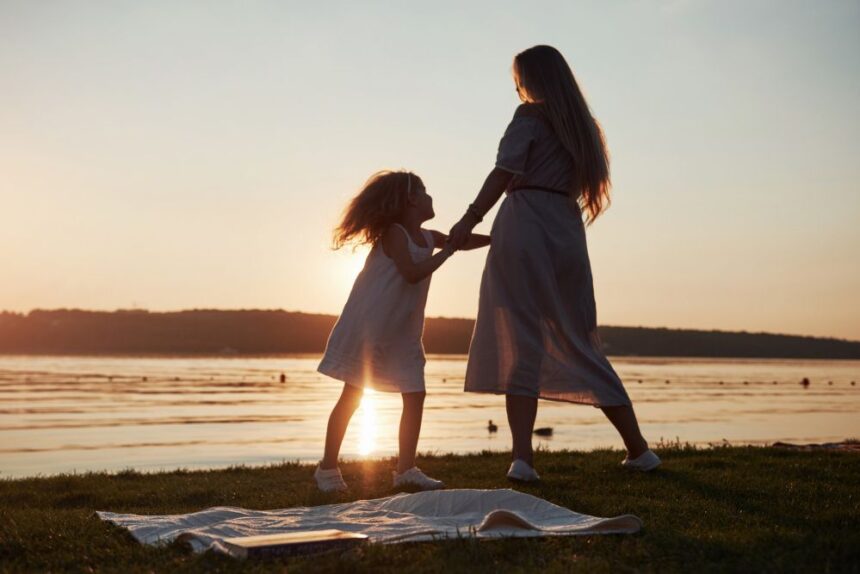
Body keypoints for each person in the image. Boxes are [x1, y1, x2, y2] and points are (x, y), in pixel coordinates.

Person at [448, 45, 660, 482]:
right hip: (565, 229)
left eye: (519, 77)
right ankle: (638, 449)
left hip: (525, 222)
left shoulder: (529, 116)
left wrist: (469, 218)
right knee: (579, 336)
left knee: (519, 338)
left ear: (533, 79)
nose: (517, 86)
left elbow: (503, 172)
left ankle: (523, 458)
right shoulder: (583, 129)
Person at [315, 170, 490, 492]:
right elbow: (411, 273)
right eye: (424, 191)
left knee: (415, 394)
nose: (429, 196)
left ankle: (406, 469)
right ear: (411, 200)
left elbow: (459, 242)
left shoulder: (428, 236)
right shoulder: (395, 234)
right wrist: (448, 252)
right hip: (371, 327)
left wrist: (496, 239)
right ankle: (327, 469)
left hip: (402, 332)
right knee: (352, 395)